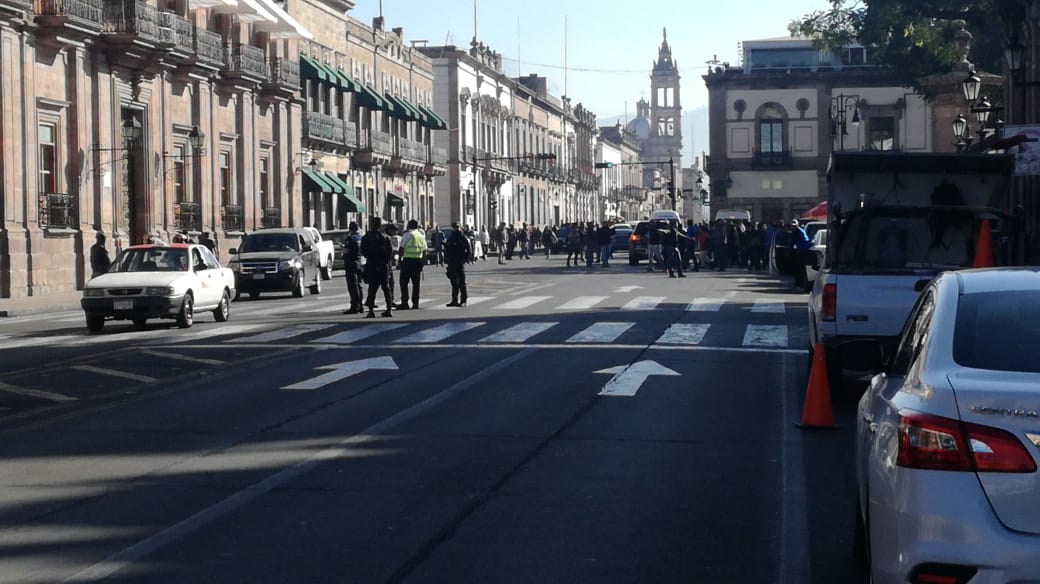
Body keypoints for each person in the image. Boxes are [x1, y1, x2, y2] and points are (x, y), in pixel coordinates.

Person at [361, 217, 394, 318]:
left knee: (372, 289)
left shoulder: (367, 237)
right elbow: (390, 252)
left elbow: (363, 250)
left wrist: (372, 260)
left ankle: (371, 311)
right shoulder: (386, 237)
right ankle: (389, 309)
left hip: (372, 265)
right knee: (386, 288)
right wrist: (384, 262)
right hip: (383, 266)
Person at [397, 219, 426, 310]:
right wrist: (423, 262)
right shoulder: (421, 236)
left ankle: (405, 302)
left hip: (407, 261)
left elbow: (402, 248)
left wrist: (399, 260)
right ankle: (415, 303)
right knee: (416, 284)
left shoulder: (407, 235)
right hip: (418, 261)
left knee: (404, 282)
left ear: (409, 226)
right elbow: (425, 250)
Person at [444, 221, 471, 307]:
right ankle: (454, 300)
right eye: (454, 227)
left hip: (459, 262)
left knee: (461, 282)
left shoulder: (462, 238)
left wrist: (464, 260)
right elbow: (447, 249)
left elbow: (468, 250)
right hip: (451, 262)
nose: (455, 229)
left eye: (456, 227)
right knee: (454, 282)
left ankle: (463, 300)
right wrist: (447, 260)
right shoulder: (451, 238)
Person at [342, 221, 364, 314]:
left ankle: (355, 307)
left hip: (351, 263)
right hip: (359, 262)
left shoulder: (350, 239)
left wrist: (343, 249)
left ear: (350, 229)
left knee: (352, 286)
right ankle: (361, 305)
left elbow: (346, 251)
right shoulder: (360, 238)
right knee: (359, 285)